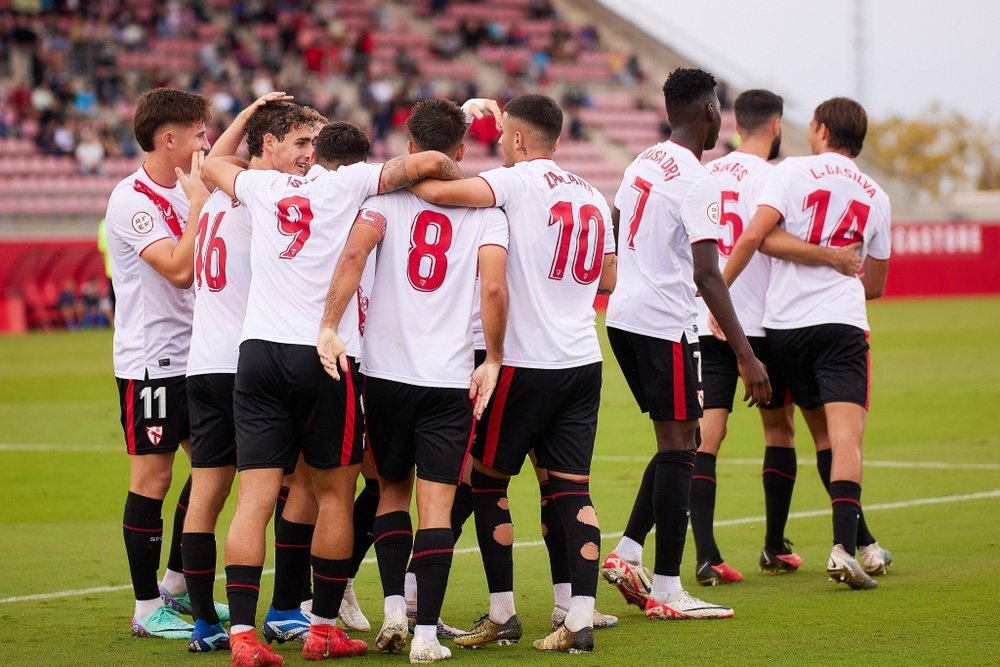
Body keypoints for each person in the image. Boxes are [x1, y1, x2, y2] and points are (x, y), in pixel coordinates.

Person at [202, 121, 463, 666]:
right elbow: (428, 163)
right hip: (326, 353)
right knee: (334, 495)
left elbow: (210, 167)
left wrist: (252, 137)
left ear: (310, 154)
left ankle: (244, 637)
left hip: (258, 354)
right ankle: (321, 629)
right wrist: (447, 167)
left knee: (253, 499)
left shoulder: (262, 186)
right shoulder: (352, 185)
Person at [410, 93, 617, 654]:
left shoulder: (518, 183)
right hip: (582, 359)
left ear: (521, 141)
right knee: (571, 488)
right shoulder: (595, 195)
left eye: (505, 139)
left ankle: (502, 612)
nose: (500, 147)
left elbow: (433, 188)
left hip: (525, 361)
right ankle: (578, 615)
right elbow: (607, 278)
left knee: (486, 481)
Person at [317, 97, 509, 664]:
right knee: (439, 507)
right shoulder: (487, 212)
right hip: (448, 375)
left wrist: (329, 324)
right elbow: (494, 290)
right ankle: (425, 638)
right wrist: (493, 358)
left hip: (385, 374)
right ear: (459, 152)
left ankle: (394, 608)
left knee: (389, 492)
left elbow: (352, 255)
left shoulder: (382, 200)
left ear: (407, 148)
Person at [599, 68, 770, 621]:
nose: (722, 115)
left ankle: (627, 553)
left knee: (681, 438)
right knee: (680, 449)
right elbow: (707, 273)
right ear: (706, 112)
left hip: (623, 315)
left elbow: (618, 223)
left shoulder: (643, 160)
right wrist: (746, 355)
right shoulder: (698, 179)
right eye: (718, 106)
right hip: (664, 322)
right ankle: (668, 590)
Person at [691, 89, 863, 585]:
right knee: (784, 430)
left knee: (708, 433)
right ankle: (777, 545)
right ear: (777, 125)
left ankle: (706, 555)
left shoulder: (708, 173)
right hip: (763, 325)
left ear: (736, 125)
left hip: (707, 318)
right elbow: (768, 239)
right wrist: (832, 258)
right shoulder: (778, 176)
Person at [722, 96, 893, 590]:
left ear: (819, 129)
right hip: (839, 325)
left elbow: (759, 237)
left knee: (791, 435)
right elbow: (876, 283)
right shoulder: (877, 195)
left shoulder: (792, 171)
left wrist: (720, 299)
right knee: (842, 440)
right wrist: (835, 267)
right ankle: (843, 548)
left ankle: (862, 543)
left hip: (782, 328)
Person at [179, 96, 326, 653]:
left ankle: (204, 625)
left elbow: (213, 158)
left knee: (208, 494)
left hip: (203, 363)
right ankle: (287, 607)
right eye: (301, 146)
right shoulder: (264, 197)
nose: (307, 159)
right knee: (298, 485)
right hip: (251, 363)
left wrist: (246, 114)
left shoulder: (217, 192)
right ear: (268, 146)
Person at [105, 88, 210, 640]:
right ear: (169, 139)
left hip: (197, 357)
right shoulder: (131, 199)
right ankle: (147, 608)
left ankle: (172, 585)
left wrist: (246, 114)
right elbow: (175, 268)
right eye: (197, 133)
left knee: (219, 463)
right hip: (152, 362)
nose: (206, 143)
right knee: (154, 478)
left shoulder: (182, 184)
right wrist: (197, 206)